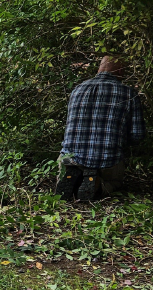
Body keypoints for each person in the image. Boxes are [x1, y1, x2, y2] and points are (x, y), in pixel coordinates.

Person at [55, 55, 146, 200]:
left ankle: (74, 178)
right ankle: (98, 185)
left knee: (70, 162)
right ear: (121, 72)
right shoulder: (128, 93)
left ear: (99, 68)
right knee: (115, 182)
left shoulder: (77, 90)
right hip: (107, 161)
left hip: (70, 157)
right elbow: (137, 135)